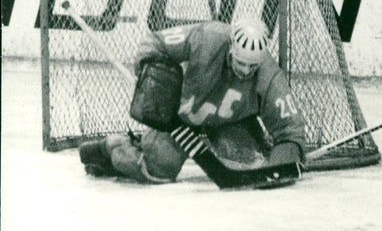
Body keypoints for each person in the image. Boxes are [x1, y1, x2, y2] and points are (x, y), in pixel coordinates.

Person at [79, 18, 307, 184]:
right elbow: (154, 42)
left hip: (229, 125)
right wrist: (157, 87)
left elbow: (291, 130)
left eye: (252, 65)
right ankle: (112, 147)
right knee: (158, 171)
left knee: (251, 166)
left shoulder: (269, 75)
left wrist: (280, 168)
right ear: (231, 48)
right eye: (240, 62)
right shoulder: (206, 37)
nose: (246, 71)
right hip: (179, 117)